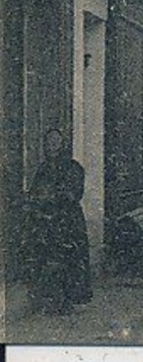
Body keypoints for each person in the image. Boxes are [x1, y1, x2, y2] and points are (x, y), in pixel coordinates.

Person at [24, 129, 92, 315]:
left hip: (67, 222)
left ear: (63, 145)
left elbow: (74, 193)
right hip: (46, 222)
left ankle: (67, 300)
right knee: (45, 259)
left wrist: (51, 196)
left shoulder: (74, 167)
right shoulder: (43, 168)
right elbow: (35, 191)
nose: (52, 146)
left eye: (56, 142)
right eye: (49, 142)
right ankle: (45, 299)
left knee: (69, 260)